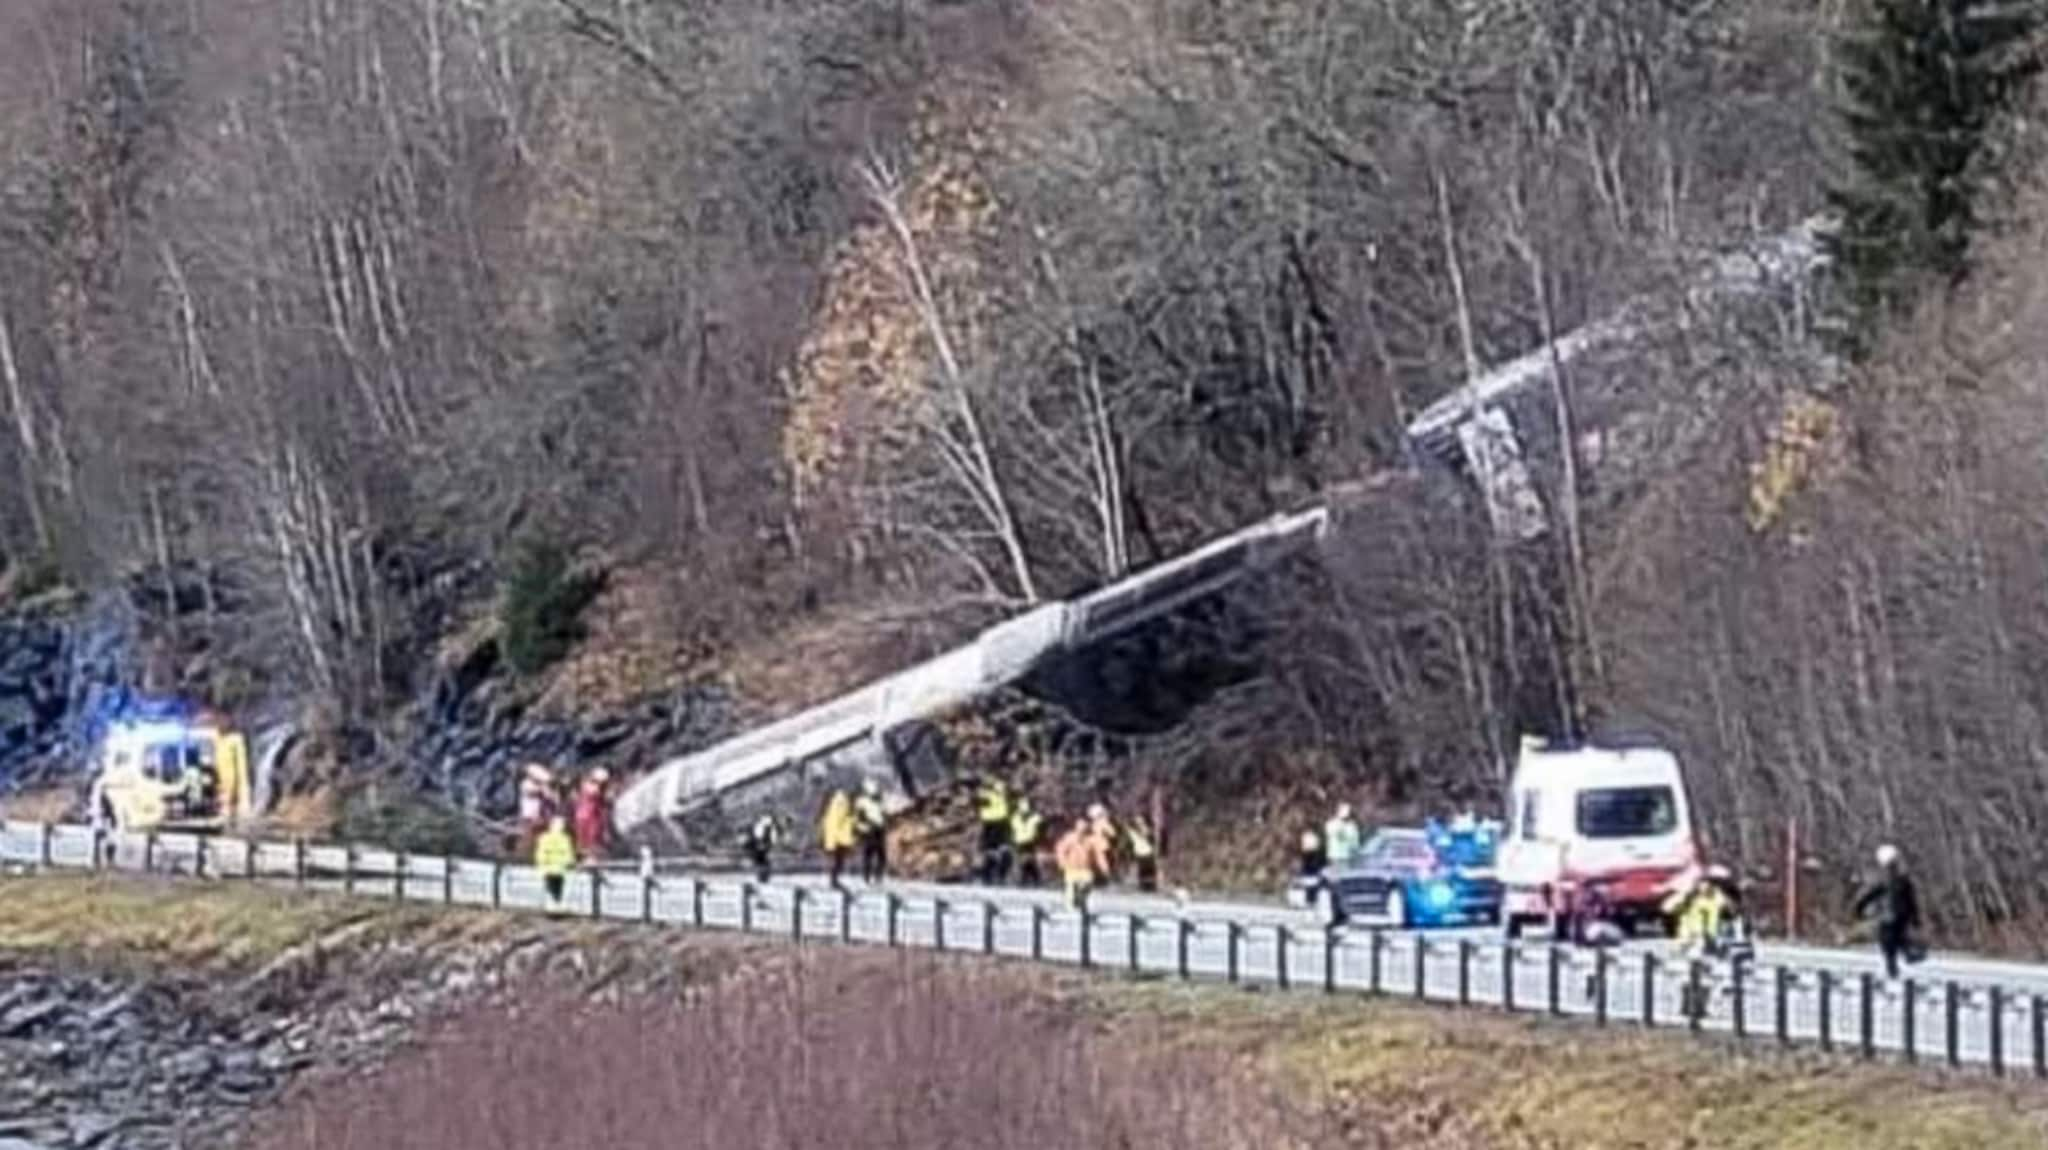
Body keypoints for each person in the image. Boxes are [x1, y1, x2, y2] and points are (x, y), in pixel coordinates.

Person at [1854, 843, 1924, 979]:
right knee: (1897, 938)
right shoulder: (1903, 879)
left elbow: (1872, 894)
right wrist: (1915, 918)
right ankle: (1906, 955)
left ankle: (1896, 965)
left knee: (1889, 942)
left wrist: (1860, 907)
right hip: (1901, 914)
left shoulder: (1886, 878)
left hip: (1889, 915)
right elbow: (1911, 900)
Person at [976, 777, 1013, 885]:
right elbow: (981, 801)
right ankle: (988, 876)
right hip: (992, 823)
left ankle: (998, 876)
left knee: (1002, 851)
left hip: (999, 823)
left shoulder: (999, 795)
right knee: (992, 852)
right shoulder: (987, 793)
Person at [534, 814, 577, 909]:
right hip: (560, 868)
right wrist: (571, 862)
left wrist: (541, 865)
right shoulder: (565, 838)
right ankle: (556, 903)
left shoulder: (545, 837)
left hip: (550, 868)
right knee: (558, 887)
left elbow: (541, 853)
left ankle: (553, 904)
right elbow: (568, 853)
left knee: (551, 887)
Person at [1056, 818, 1099, 909]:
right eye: (1080, 828)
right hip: (1071, 868)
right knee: (1070, 888)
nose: (1082, 830)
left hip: (1085, 868)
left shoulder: (1091, 840)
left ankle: (1081, 900)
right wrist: (1062, 862)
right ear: (1076, 828)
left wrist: (1103, 867)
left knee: (1088, 883)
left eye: (1084, 828)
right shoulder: (1069, 838)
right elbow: (1061, 850)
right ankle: (1070, 907)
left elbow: (1097, 854)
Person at [820, 788, 857, 889]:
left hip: (839, 839)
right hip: (839, 840)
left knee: (839, 861)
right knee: (838, 861)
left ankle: (834, 880)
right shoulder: (840, 805)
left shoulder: (838, 805)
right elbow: (836, 823)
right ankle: (834, 880)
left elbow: (842, 823)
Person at [572, 768, 611, 862]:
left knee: (593, 838)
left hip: (591, 815)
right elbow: (595, 794)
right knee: (587, 838)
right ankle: (588, 858)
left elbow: (603, 802)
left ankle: (591, 857)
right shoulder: (588, 786)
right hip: (586, 815)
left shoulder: (593, 787)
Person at [855, 779, 888, 885]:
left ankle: (878, 876)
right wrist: (864, 828)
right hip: (869, 830)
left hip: (879, 829)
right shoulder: (862, 802)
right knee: (869, 854)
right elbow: (859, 818)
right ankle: (867, 876)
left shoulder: (880, 800)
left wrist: (884, 823)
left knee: (881, 856)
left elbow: (884, 813)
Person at [517, 764, 556, 852]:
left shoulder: (542, 786)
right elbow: (533, 791)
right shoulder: (525, 784)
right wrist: (543, 786)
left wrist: (547, 788)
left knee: (539, 835)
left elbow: (549, 797)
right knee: (528, 835)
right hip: (529, 814)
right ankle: (524, 852)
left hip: (539, 814)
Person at [1010, 797, 1044, 887]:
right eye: (1022, 804)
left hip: (1031, 841)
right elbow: (1012, 830)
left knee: (1028, 861)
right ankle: (1027, 879)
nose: (1024, 807)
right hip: (1019, 841)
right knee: (1023, 862)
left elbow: (1042, 829)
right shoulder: (1015, 817)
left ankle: (1031, 879)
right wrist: (1012, 839)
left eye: (1026, 804)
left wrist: (1038, 838)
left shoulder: (1036, 817)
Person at [744, 812, 782, 884]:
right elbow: (750, 842)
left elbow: (771, 839)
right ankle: (762, 876)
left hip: (762, 853)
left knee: (764, 862)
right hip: (758, 853)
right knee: (761, 862)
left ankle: (764, 877)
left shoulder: (769, 830)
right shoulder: (757, 829)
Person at [1125, 815, 1159, 892]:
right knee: (1143, 870)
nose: (1139, 824)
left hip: (1148, 852)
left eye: (1141, 822)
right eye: (1138, 822)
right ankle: (1144, 885)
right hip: (1140, 853)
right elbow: (1129, 841)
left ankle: (1151, 885)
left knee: (1150, 870)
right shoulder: (1132, 832)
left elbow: (1151, 839)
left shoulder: (1146, 830)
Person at [1324, 804, 1362, 870]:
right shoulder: (1331, 824)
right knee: (1335, 876)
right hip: (1335, 855)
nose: (1346, 814)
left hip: (1347, 856)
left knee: (1346, 875)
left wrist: (1355, 851)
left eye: (1348, 811)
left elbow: (1354, 840)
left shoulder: (1351, 825)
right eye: (1344, 811)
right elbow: (1334, 834)